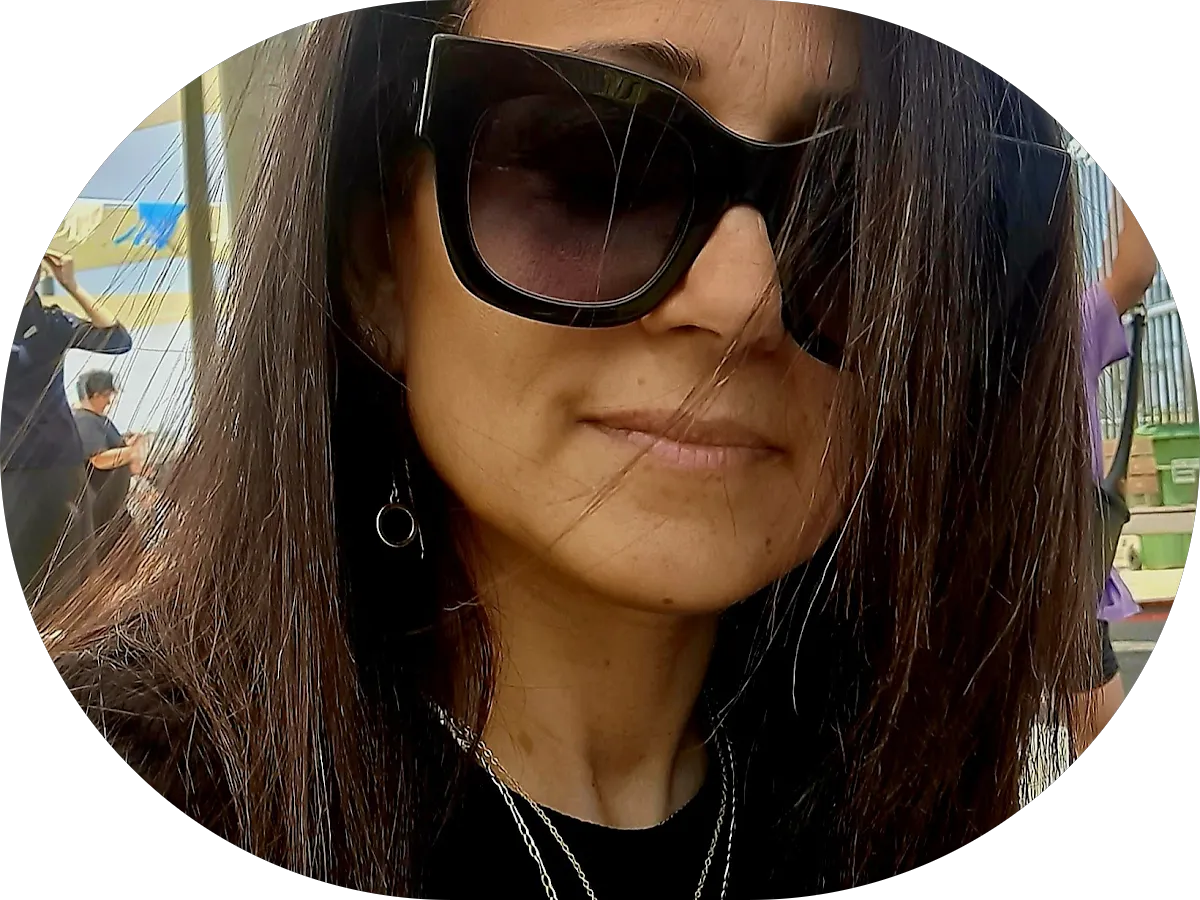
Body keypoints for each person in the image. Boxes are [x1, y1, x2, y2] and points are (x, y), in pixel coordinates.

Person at [39, 4, 1106, 896]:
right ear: (376, 263)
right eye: (595, 164)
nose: (744, 299)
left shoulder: (911, 804)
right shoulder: (159, 764)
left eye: (858, 212)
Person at [1072, 191, 1160, 755]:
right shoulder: (1066, 327)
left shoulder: (1064, 327)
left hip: (1051, 571)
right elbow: (1136, 266)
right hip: (1061, 568)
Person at [2, 250, 132, 605]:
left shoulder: (52, 322)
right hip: (14, 467)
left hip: (59, 464)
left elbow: (118, 339)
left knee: (74, 574)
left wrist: (72, 285)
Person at [72, 370, 144, 555]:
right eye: (106, 396)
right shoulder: (84, 421)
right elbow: (99, 459)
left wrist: (127, 445)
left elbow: (111, 451)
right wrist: (131, 452)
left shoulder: (98, 420)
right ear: (95, 395)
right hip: (101, 513)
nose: (109, 401)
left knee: (134, 555)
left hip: (114, 509)